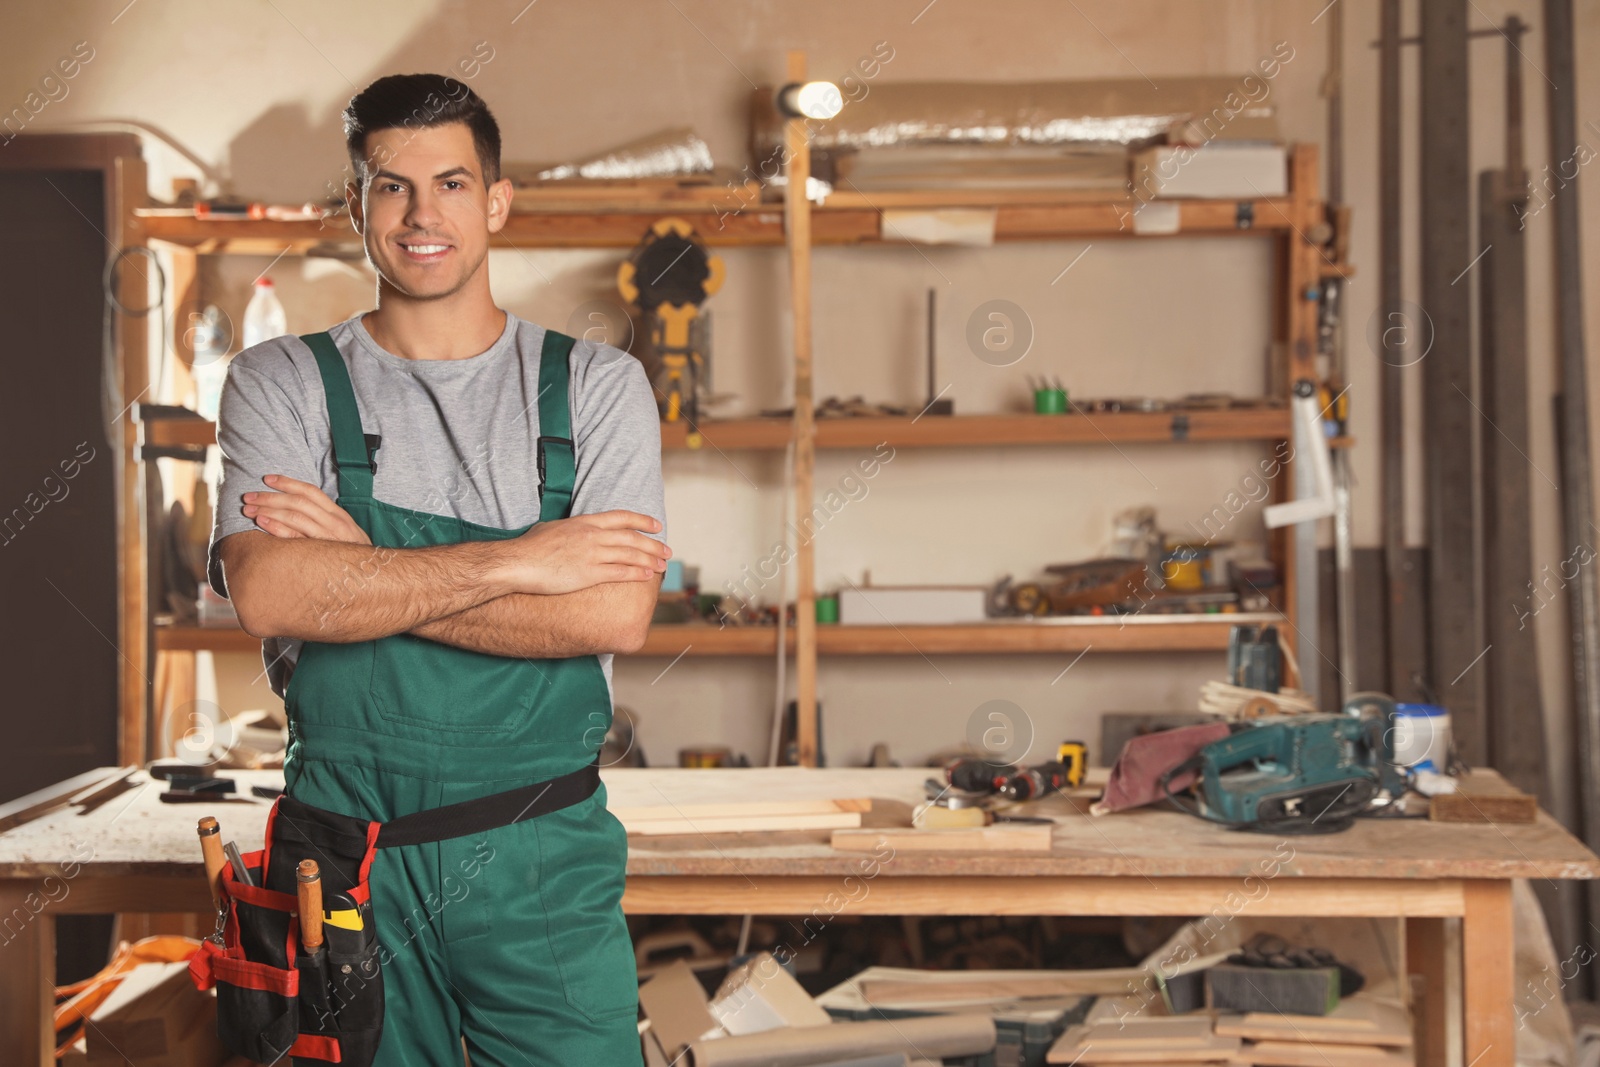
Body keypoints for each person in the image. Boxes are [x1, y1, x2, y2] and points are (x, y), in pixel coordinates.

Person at [208, 72, 667, 1067]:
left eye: (452, 183)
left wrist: (358, 568)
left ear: (496, 200)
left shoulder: (594, 385)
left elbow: (615, 612)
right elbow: (273, 590)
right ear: (354, 204)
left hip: (538, 855)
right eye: (391, 186)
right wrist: (526, 562)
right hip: (341, 871)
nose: (423, 215)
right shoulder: (279, 380)